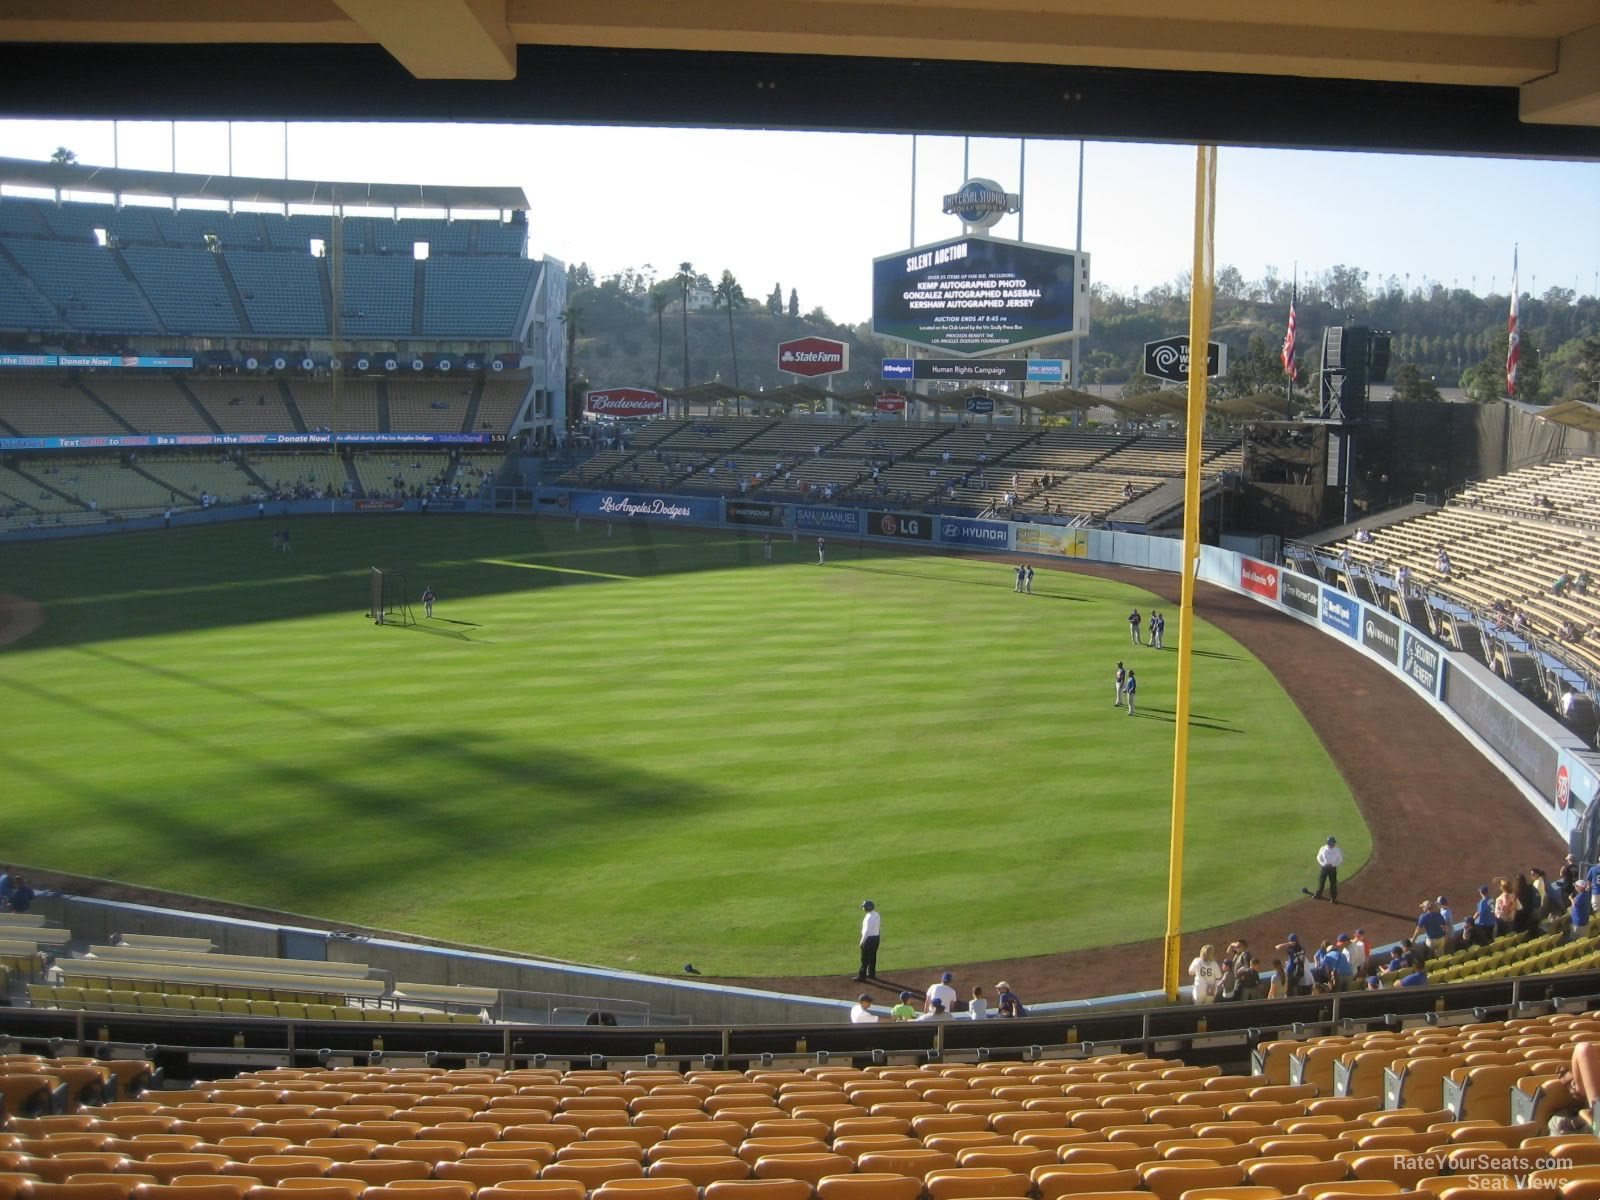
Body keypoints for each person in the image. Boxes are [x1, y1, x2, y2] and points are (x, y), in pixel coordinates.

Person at [1311, 836, 1342, 902]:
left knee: (1333, 882)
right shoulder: (1323, 849)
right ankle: (1318, 894)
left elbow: (1340, 859)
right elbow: (1318, 857)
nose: (1334, 844)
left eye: (1334, 843)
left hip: (1333, 868)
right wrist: (1323, 864)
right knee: (1321, 881)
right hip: (1324, 868)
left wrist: (1333, 865)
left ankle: (1333, 897)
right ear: (1329, 843)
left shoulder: (1337, 850)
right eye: (1333, 843)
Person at [856, 900, 881, 982]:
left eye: (864, 907)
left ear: (867, 908)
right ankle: (871, 974)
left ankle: (862, 976)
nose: (863, 908)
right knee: (873, 957)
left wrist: (862, 941)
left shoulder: (868, 917)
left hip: (869, 939)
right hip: (876, 938)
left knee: (865, 958)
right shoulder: (876, 914)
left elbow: (867, 931)